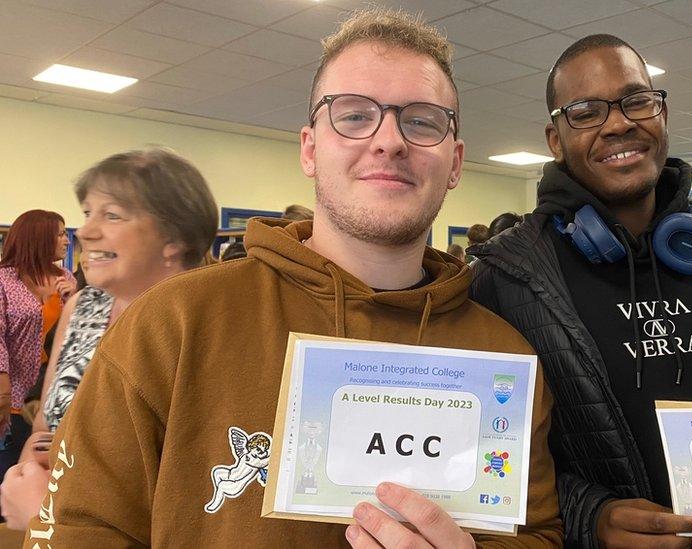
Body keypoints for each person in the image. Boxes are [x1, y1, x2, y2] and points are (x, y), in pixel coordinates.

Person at [22, 9, 560, 548]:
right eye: (353, 115)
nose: (389, 140)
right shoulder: (173, 323)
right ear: (309, 148)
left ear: (456, 160)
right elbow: (80, 528)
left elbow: (534, 534)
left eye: (422, 121)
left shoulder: (503, 357)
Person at [470, 34, 692, 549]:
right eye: (586, 110)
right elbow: (488, 456)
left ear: (662, 114)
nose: (618, 122)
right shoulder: (506, 276)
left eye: (637, 100)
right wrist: (591, 517)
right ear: (555, 138)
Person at [0, 149, 219, 532]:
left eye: (112, 215)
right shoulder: (84, 307)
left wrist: (44, 518)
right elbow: (48, 424)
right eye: (88, 214)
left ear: (174, 238)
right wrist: (31, 461)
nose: (85, 232)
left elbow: (193, 484)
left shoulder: (208, 323)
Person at [0, 210, 75, 482]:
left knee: (41, 473)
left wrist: (72, 300)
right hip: (9, 392)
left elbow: (69, 339)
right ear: (39, 239)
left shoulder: (65, 277)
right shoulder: (4, 280)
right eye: (60, 234)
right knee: (8, 468)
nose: (66, 241)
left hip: (47, 395)